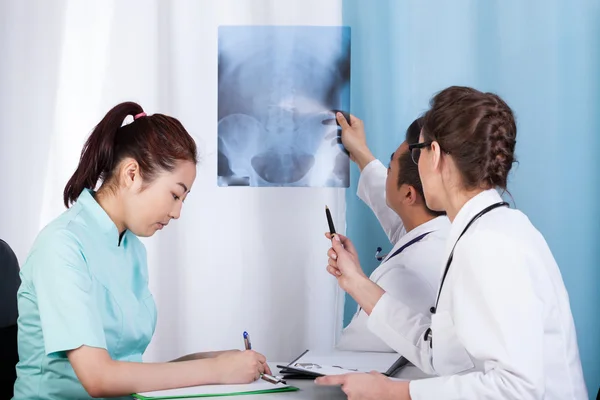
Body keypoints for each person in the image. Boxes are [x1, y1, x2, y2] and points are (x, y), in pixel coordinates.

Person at [317, 87, 587, 399]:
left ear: (433, 154)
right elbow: (439, 351)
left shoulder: (489, 246)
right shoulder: (486, 230)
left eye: (417, 153)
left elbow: (518, 389)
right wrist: (355, 282)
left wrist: (396, 392)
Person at [13, 102, 271, 399]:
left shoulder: (131, 248)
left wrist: (215, 361)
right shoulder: (62, 245)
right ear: (132, 174)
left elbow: (130, 371)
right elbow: (99, 378)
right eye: (175, 195)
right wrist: (216, 371)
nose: (177, 213)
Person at [333, 115, 449, 353]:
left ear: (408, 195)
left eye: (389, 167)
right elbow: (399, 217)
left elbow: (351, 353)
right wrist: (361, 153)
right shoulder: (445, 232)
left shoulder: (404, 273)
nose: (385, 173)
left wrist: (355, 279)